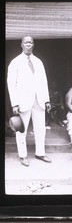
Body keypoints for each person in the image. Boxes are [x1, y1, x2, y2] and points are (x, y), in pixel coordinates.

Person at [7, 35, 52, 167]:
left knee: (40, 128)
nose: (29, 44)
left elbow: (44, 82)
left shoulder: (38, 61)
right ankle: (23, 155)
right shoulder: (15, 62)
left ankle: (40, 153)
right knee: (21, 129)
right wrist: (14, 103)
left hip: (39, 100)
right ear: (21, 44)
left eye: (31, 43)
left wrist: (47, 100)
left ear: (33, 45)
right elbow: (11, 84)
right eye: (26, 42)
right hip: (23, 101)